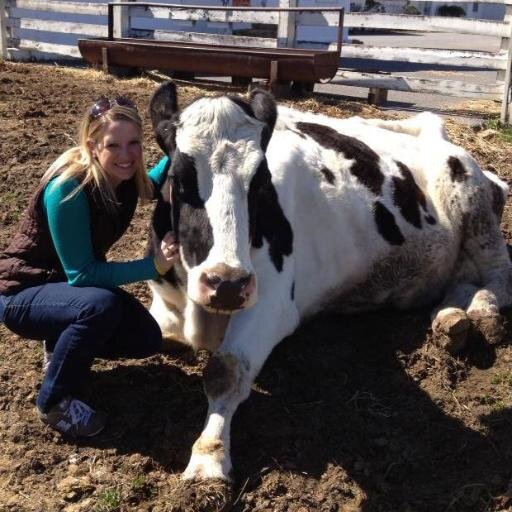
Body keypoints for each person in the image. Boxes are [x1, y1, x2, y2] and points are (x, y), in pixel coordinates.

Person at [0, 96, 178, 438]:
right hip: (20, 293)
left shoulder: (125, 177)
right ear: (92, 145)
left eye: (134, 144)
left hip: (64, 291)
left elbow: (153, 180)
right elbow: (81, 274)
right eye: (114, 145)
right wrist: (153, 266)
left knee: (146, 339)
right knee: (99, 307)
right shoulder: (69, 187)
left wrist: (180, 147)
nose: (126, 156)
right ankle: (53, 402)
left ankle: (60, 341)